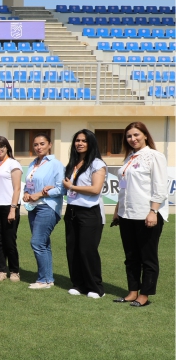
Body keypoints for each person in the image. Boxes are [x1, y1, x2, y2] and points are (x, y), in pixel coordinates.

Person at [114, 122, 169, 307]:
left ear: (145, 135)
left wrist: (153, 211)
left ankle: (144, 295)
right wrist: (117, 210)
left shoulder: (154, 156)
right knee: (131, 257)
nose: (133, 139)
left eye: (136, 135)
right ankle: (132, 292)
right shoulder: (129, 157)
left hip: (146, 214)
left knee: (148, 257)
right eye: (129, 136)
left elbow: (160, 186)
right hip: (126, 214)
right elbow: (123, 187)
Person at [62, 129, 108, 299]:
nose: (80, 143)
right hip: (72, 210)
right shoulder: (72, 163)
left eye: (84, 140)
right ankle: (79, 284)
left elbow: (95, 189)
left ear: (91, 143)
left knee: (87, 250)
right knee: (73, 249)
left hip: (90, 212)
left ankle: (96, 288)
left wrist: (72, 187)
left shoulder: (97, 164)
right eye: (77, 140)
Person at [23, 134, 64, 290]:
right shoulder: (34, 163)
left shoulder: (55, 164)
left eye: (42, 144)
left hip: (48, 207)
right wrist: (27, 193)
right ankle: (48, 279)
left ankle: (43, 280)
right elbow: (30, 185)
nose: (38, 147)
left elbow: (61, 189)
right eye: (35, 144)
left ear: (49, 145)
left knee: (37, 242)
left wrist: (40, 194)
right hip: (34, 207)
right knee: (43, 244)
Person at [0, 136, 23, 282]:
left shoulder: (13, 164)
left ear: (7, 147)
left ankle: (14, 271)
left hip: (9, 206)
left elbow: (17, 188)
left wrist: (13, 209)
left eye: (1, 147)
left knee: (9, 240)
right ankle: (1, 270)